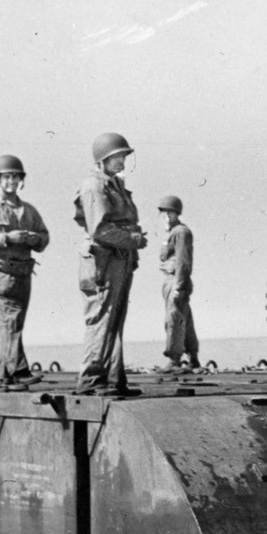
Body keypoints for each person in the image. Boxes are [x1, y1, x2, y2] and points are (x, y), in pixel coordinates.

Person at [74, 132, 146, 397]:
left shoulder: (111, 184)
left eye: (123, 157)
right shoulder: (95, 186)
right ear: (102, 159)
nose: (121, 162)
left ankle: (114, 379)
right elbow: (99, 230)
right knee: (102, 320)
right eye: (116, 157)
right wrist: (132, 239)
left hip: (118, 259)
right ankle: (91, 381)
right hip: (104, 261)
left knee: (114, 321)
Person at [0, 154, 50, 386]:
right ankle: (19, 371)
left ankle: (5, 375)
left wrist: (34, 239)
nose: (11, 181)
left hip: (22, 276)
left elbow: (44, 238)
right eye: (6, 177)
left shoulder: (29, 211)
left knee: (13, 325)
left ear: (21, 180)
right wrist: (6, 238)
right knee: (10, 322)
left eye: (15, 177)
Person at [155, 195, 200, 372]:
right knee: (184, 320)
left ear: (175, 214)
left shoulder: (180, 232)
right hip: (171, 278)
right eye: (164, 213)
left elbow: (183, 261)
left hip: (176, 279)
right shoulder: (174, 233)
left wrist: (179, 286)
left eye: (168, 213)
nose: (165, 216)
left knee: (174, 319)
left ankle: (174, 359)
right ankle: (192, 357)